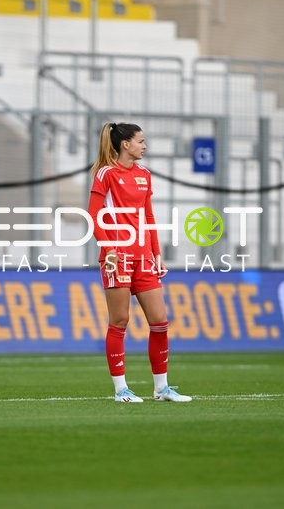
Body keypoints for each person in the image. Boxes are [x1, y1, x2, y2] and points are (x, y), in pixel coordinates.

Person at [87, 122, 191, 403]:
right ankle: (121, 390)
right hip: (117, 257)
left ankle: (161, 389)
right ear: (126, 144)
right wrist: (108, 249)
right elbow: (94, 215)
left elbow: (148, 218)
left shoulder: (144, 175)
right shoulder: (105, 174)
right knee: (120, 321)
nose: (145, 146)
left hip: (143, 258)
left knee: (159, 321)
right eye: (141, 141)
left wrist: (157, 254)